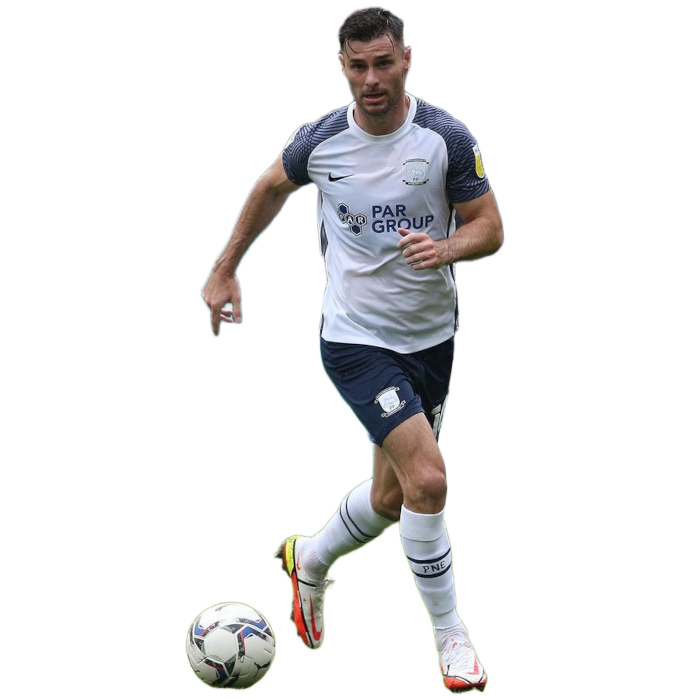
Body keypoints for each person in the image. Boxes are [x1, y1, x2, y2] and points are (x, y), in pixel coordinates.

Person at [200, 5, 503, 694]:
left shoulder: (445, 138)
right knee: (429, 480)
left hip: (432, 341)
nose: (372, 79)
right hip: (355, 340)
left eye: (384, 63)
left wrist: (447, 247)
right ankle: (451, 635)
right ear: (342, 67)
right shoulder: (321, 141)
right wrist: (224, 269)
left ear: (406, 60)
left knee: (394, 498)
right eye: (358, 66)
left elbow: (488, 227)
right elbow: (270, 189)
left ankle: (310, 557)